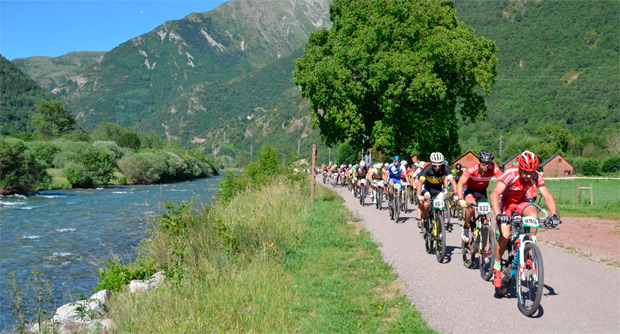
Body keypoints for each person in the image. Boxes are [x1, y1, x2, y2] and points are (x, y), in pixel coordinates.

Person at [490, 151, 561, 290]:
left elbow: (547, 196)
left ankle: (528, 249)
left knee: (533, 218)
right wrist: (498, 214)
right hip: (506, 202)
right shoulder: (511, 173)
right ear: (520, 168)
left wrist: (554, 216)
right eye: (525, 172)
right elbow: (495, 193)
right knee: (504, 236)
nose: (528, 176)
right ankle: (497, 267)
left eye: (531, 172)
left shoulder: (536, 176)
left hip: (521, 201)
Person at [456, 149, 503, 242]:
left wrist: (502, 194)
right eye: (484, 163)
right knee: (471, 206)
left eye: (488, 163)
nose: (486, 166)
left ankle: (484, 250)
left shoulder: (494, 167)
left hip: (482, 192)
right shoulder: (472, 167)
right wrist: (460, 198)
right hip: (469, 190)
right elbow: (460, 182)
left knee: (486, 220)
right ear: (479, 161)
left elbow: (502, 181)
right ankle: (466, 226)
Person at [416, 152, 457, 225]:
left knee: (440, 208)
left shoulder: (445, 168)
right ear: (432, 164)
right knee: (426, 204)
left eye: (439, 165)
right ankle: (424, 219)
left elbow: (452, 181)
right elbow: (420, 182)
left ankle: (439, 227)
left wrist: (456, 194)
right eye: (435, 166)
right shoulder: (427, 169)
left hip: (438, 190)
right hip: (427, 189)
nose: (437, 167)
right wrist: (419, 195)